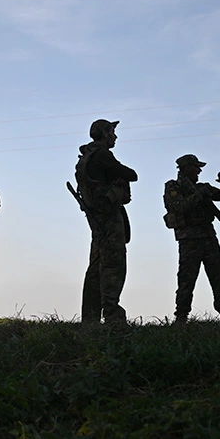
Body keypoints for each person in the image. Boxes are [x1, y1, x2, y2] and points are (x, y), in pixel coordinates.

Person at [76, 119, 138, 325]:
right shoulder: (102, 155)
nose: (115, 136)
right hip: (108, 219)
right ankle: (113, 318)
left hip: (97, 220)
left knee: (95, 268)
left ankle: (90, 321)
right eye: (112, 132)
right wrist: (118, 183)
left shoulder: (87, 156)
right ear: (104, 133)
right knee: (113, 265)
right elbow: (131, 175)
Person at [163, 154, 220, 324]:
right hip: (189, 239)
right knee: (187, 279)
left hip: (208, 237)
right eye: (196, 166)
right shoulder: (173, 187)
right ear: (186, 168)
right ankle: (181, 317)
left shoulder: (203, 187)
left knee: (218, 275)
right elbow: (180, 206)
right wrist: (199, 195)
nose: (199, 170)